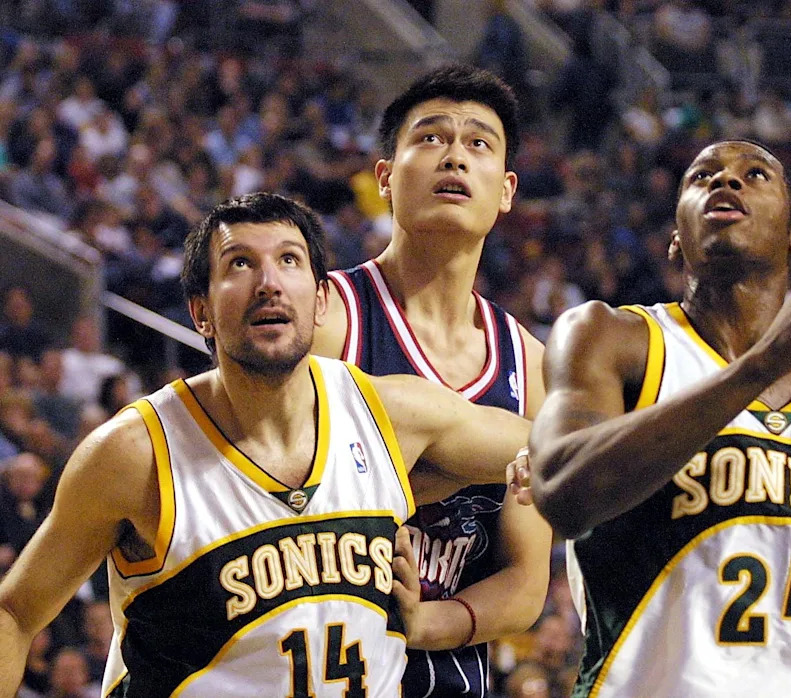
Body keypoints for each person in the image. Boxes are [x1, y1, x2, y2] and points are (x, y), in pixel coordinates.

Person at [0, 192, 532, 698]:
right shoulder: (134, 453)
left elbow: (558, 447)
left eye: (290, 260)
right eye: (239, 264)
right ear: (201, 312)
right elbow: (16, 613)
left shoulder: (393, 415)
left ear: (322, 300)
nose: (269, 283)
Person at [528, 140, 791, 697]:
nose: (724, 183)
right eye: (701, 176)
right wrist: (758, 368)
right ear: (676, 240)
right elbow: (562, 493)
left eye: (754, 175)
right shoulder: (612, 338)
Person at [311, 64, 552, 698]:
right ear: (384, 177)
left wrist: (430, 623)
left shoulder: (531, 365)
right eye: (430, 138)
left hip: (444, 675)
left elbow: (525, 585)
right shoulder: (326, 317)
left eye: (478, 143)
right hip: (315, 661)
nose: (454, 156)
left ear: (505, 191)